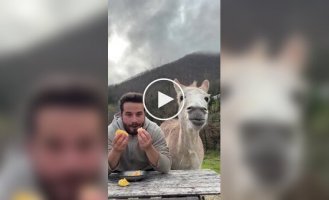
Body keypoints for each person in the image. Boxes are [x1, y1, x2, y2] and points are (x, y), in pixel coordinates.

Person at [0, 77, 107, 200]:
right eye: (53, 146)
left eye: (85, 145)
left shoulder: (106, 179)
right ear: (30, 148)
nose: (71, 164)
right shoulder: (9, 187)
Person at [108, 92, 171, 173]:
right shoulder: (110, 132)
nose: (134, 120)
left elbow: (166, 168)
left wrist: (149, 148)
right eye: (128, 114)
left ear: (144, 114)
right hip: (117, 177)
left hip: (150, 177)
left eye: (139, 114)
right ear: (121, 115)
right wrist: (116, 151)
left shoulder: (154, 130)